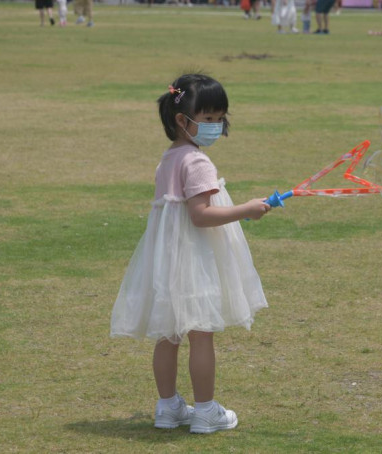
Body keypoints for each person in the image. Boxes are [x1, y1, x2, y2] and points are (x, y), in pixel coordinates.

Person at [110, 74, 270, 434]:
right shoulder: (197, 163)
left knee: (168, 334)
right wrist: (246, 209)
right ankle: (205, 411)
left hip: (167, 258)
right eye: (208, 119)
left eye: (219, 118)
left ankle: (167, 408)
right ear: (183, 120)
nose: (215, 126)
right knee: (201, 333)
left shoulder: (170, 158)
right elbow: (200, 215)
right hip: (193, 259)